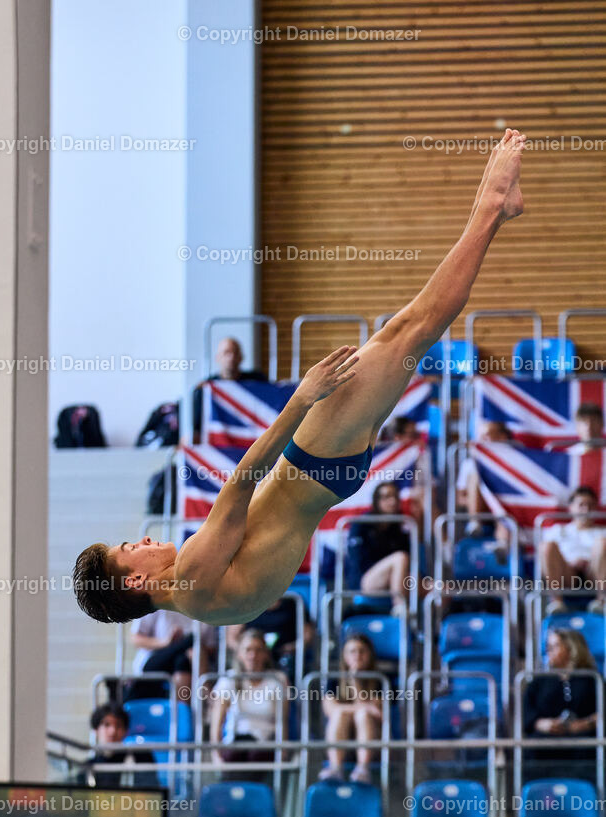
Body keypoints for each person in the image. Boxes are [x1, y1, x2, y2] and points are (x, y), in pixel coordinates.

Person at [74, 129, 528, 628]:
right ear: (135, 581)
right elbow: (244, 479)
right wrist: (303, 398)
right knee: (411, 331)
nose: (140, 541)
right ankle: (492, 208)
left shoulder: (201, 604)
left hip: (323, 478)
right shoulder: (191, 578)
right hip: (313, 463)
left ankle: (494, 207)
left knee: (405, 333)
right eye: (128, 550)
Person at [523, 628, 599, 771]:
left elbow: (601, 712)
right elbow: (526, 712)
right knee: (534, 747)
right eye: (548, 646)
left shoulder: (593, 679)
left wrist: (585, 724)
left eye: (556, 645)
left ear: (572, 648)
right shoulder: (539, 680)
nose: (549, 650)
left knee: (590, 747)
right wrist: (542, 723)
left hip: (583, 739)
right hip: (546, 739)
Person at [209, 629, 287, 767]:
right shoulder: (229, 679)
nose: (253, 655)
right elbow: (217, 721)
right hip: (235, 741)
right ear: (239, 654)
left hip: (264, 742)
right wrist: (216, 754)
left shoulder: (277, 680)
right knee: (232, 755)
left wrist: (283, 751)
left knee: (256, 755)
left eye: (258, 650)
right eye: (248, 650)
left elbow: (282, 722)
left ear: (266, 654)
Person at [320, 633, 383, 784]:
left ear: (369, 655)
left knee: (362, 716)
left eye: (362, 651)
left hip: (373, 739)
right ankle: (335, 767)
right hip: (342, 735)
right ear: (344, 656)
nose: (357, 655)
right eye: (352, 651)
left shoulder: (381, 680)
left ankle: (363, 768)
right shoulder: (333, 680)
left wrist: (355, 682)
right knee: (341, 715)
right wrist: (366, 708)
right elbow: (331, 710)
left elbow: (378, 714)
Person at [345, 481, 411, 614]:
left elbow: (410, 564)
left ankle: (434, 629)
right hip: (365, 582)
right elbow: (357, 561)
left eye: (395, 497)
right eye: (387, 497)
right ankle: (400, 610)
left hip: (396, 580)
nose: (392, 501)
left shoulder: (401, 528)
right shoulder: (361, 524)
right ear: (377, 501)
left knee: (436, 587)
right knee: (400, 558)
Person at [540, 486, 606, 615]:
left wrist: (588, 562)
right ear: (571, 507)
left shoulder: (603, 531)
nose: (586, 509)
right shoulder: (557, 530)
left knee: (602, 543)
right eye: (581, 505)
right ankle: (556, 601)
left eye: (590, 505)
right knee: (546, 547)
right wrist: (571, 564)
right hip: (565, 574)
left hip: (594, 575)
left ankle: (602, 601)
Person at [128, 608, 217, 701]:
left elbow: (211, 648)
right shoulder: (156, 602)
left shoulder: (204, 607)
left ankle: (183, 711)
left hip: (187, 662)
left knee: (185, 658)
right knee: (191, 644)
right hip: (155, 660)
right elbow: (135, 639)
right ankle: (205, 691)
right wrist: (165, 643)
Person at [192, 336, 267, 442]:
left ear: (241, 357)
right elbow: (197, 428)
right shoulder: (206, 388)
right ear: (217, 358)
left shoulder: (258, 381)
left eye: (235, 352)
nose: (231, 357)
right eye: (226, 353)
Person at [226, 595, 316, 679]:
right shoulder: (247, 604)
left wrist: (292, 647)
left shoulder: (292, 602)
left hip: (284, 656)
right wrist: (245, 651)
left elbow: (308, 636)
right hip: (253, 652)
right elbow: (231, 638)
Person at [456, 420, 514, 532]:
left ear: (503, 437)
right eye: (480, 436)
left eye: (486, 436)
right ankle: (474, 522)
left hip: (508, 507)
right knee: (476, 473)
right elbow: (460, 499)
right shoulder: (469, 463)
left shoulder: (517, 462)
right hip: (484, 507)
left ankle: (502, 542)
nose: (481, 441)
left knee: (502, 510)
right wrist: (484, 500)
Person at [82, 702, 154, 788]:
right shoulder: (88, 766)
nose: (113, 731)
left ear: (126, 731)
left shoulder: (142, 758)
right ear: (96, 730)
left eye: (118, 725)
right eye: (106, 725)